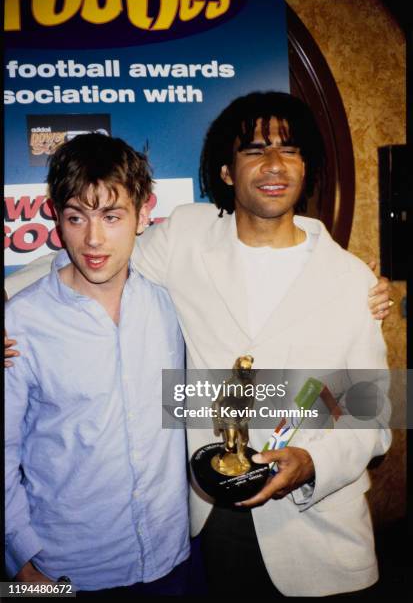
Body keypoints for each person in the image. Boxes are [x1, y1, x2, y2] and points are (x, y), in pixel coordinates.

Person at [4, 92, 392, 597]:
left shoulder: (350, 279)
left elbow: (373, 411)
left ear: (306, 165)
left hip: (319, 533)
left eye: (289, 150)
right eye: (254, 150)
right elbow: (96, 250)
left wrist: (313, 463)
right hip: (207, 525)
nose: (273, 164)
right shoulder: (185, 236)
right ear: (227, 172)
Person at [5, 134, 190, 595]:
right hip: (56, 573)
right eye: (76, 217)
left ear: (144, 213)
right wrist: (19, 564)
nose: (92, 239)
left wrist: (355, 289)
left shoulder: (173, 304)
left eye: (111, 216)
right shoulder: (20, 321)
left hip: (173, 560)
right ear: (56, 217)